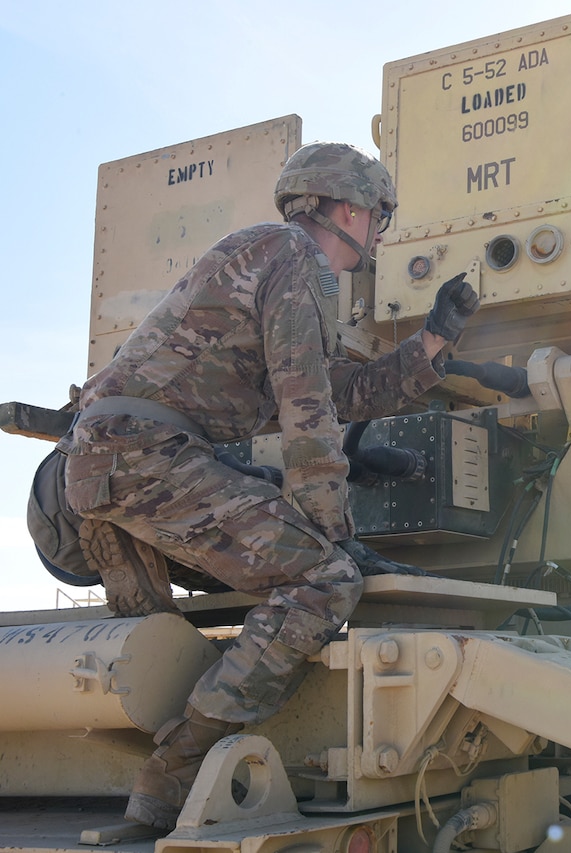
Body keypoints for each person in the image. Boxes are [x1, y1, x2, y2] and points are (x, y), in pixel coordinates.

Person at [57, 141, 479, 831]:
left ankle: (153, 802)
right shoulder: (295, 258)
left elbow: (340, 386)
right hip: (146, 455)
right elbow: (306, 409)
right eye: (378, 217)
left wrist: (433, 342)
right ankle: (175, 770)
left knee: (217, 612)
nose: (378, 236)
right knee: (324, 581)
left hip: (110, 462)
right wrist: (334, 537)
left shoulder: (266, 255)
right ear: (349, 208)